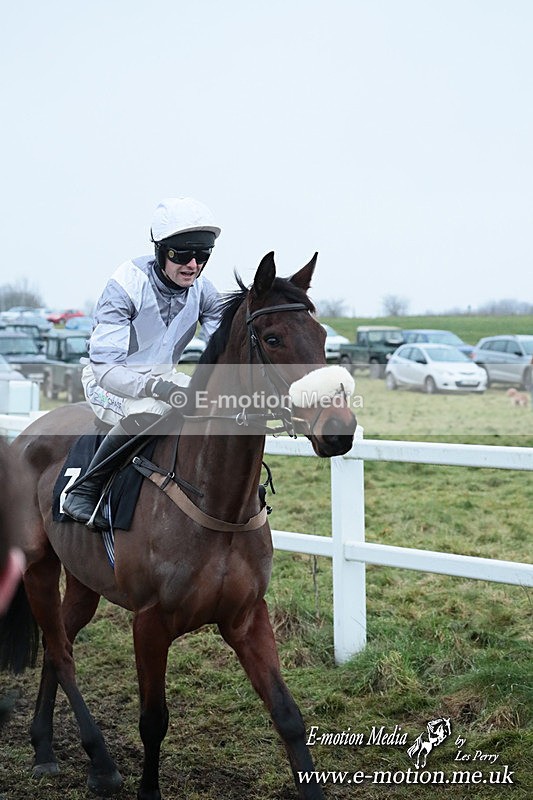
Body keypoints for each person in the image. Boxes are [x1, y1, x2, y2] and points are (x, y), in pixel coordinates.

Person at [62, 197, 222, 527]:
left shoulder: (204, 290)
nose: (193, 264)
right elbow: (107, 369)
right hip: (109, 380)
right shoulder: (126, 285)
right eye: (183, 254)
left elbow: (227, 341)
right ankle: (85, 489)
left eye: (202, 255)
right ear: (161, 250)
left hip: (164, 380)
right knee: (151, 410)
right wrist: (153, 386)